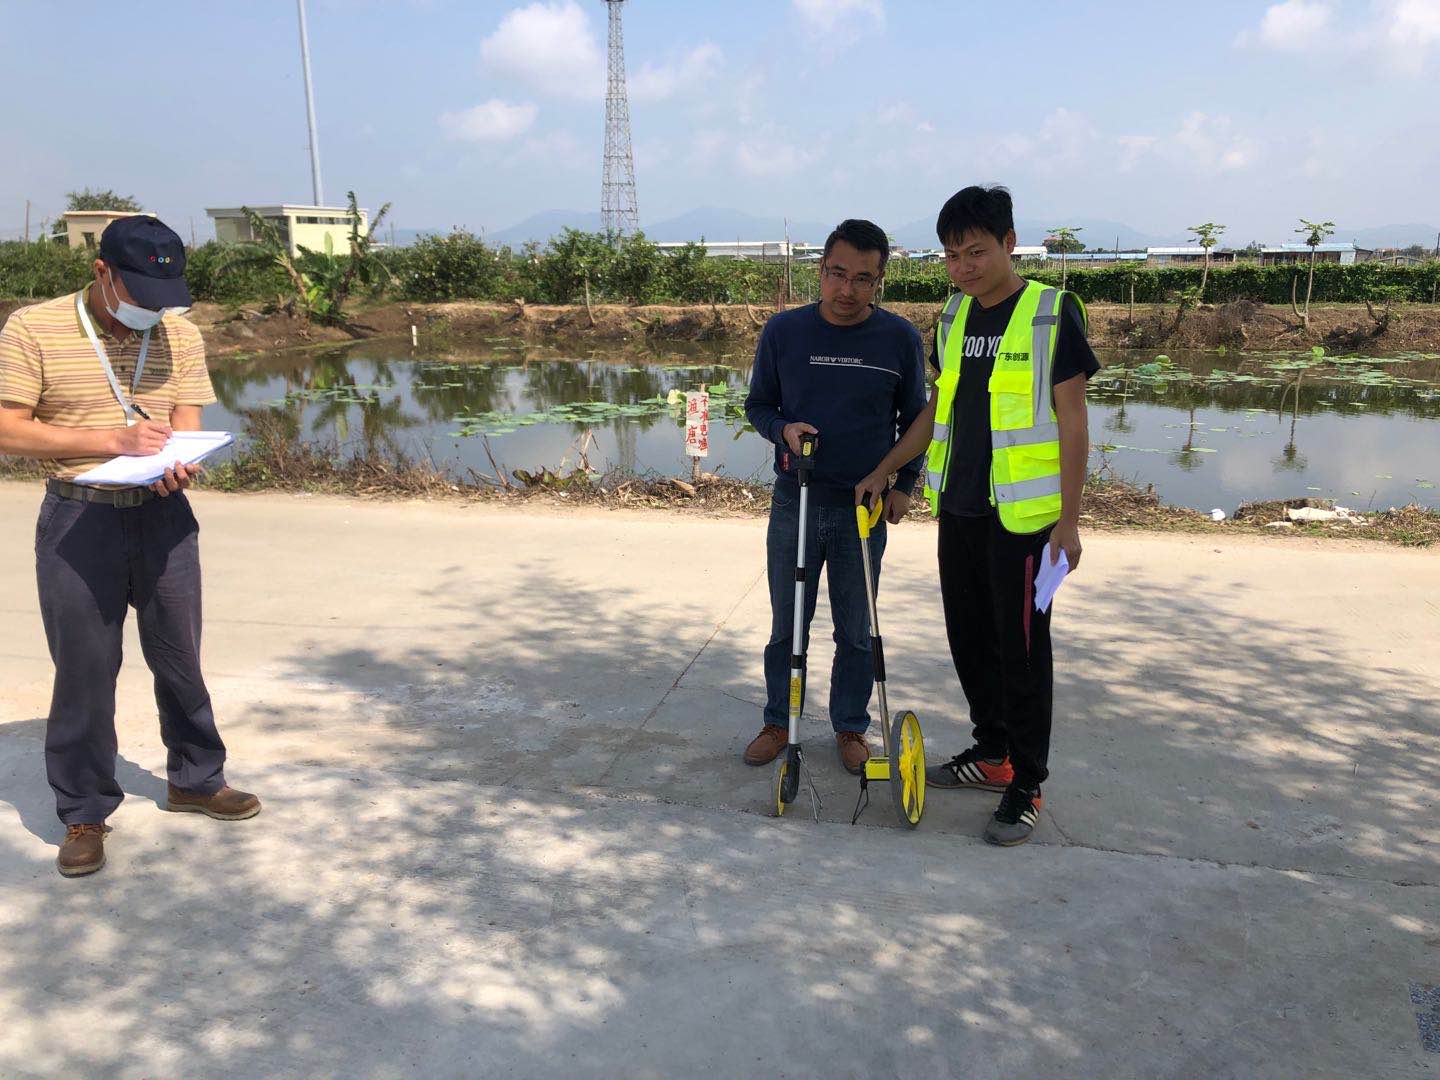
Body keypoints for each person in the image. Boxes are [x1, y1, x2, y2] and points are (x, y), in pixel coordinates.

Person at [0, 215, 260, 878]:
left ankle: (196, 778)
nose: (153, 309)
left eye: (164, 295)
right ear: (102, 274)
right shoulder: (33, 328)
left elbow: (186, 423)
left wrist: (182, 461)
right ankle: (84, 811)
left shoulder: (180, 332)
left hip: (165, 515)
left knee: (181, 656)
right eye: (139, 292)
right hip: (78, 519)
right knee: (86, 669)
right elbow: (9, 430)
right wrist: (108, 442)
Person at [856, 186, 1098, 845]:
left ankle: (1027, 783)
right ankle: (993, 752)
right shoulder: (955, 318)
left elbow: (1074, 424)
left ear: (1010, 244)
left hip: (1026, 525)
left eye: (977, 252)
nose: (963, 266)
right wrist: (887, 467)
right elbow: (938, 410)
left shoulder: (1050, 314)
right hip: (960, 512)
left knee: (1022, 652)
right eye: (952, 255)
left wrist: (1070, 523)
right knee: (969, 641)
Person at [743, 219, 927, 776]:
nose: (848, 290)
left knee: (855, 628)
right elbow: (758, 406)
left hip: (862, 509)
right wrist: (783, 430)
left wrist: (904, 483)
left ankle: (851, 727)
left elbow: (916, 418)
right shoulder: (783, 332)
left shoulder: (900, 339)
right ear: (820, 270)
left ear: (880, 281)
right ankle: (780, 720)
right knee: (788, 624)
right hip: (793, 502)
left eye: (864, 279)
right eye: (838, 274)